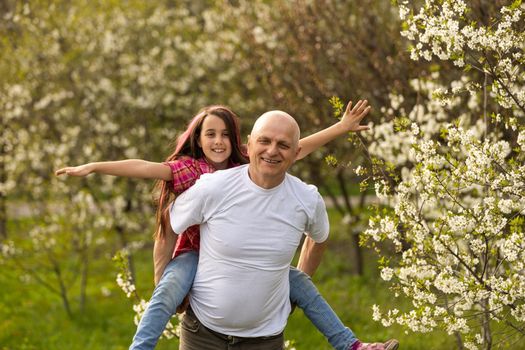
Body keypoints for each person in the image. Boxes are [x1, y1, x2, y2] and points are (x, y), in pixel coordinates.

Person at [56, 102, 396, 349]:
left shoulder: (272, 176)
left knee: (301, 285)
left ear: (238, 143)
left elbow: (299, 146)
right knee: (165, 294)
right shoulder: (193, 173)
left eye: (223, 135)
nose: (218, 142)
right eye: (210, 134)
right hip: (193, 258)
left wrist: (341, 127)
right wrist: (94, 167)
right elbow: (146, 173)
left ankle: (351, 345)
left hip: (262, 330)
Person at [169, 110, 398, 350]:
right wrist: (167, 284)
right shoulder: (213, 186)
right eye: (264, 141)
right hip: (202, 335)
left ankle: (351, 345)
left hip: (264, 340)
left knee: (296, 279)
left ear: (296, 152)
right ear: (249, 144)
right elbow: (169, 224)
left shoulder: (306, 199)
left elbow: (319, 238)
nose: (272, 150)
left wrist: (295, 290)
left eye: (283, 145)